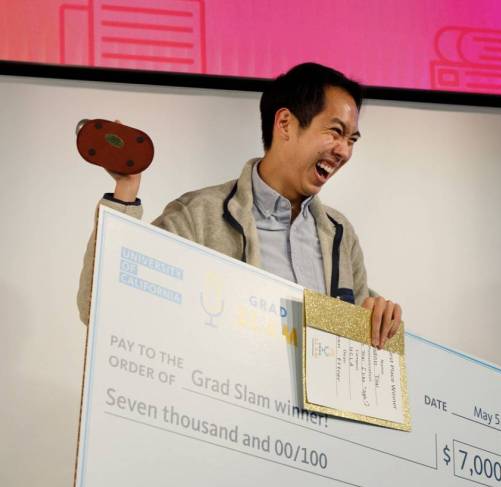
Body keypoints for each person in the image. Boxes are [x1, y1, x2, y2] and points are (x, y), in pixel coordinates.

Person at [77, 62, 402, 349]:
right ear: (286, 124)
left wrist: (379, 319)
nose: (344, 151)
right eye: (336, 132)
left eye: (352, 140)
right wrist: (125, 192)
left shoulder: (340, 234)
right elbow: (103, 307)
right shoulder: (198, 216)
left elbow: (360, 340)